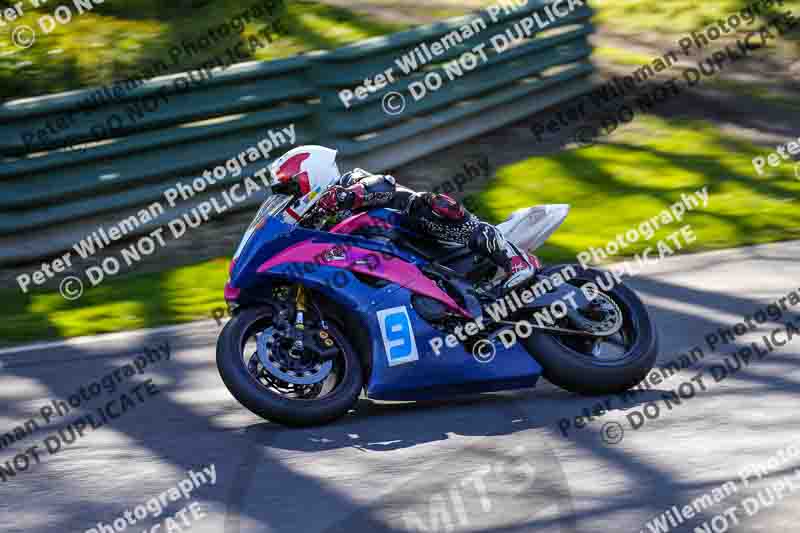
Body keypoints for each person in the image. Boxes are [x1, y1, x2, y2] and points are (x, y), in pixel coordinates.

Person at [267, 145, 537, 290]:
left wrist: (346, 197)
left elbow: (384, 184)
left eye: (289, 188)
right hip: (387, 274)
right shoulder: (314, 225)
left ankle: (513, 258)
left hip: (417, 237)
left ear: (310, 174)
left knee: (430, 204)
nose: (288, 197)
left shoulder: (347, 182)